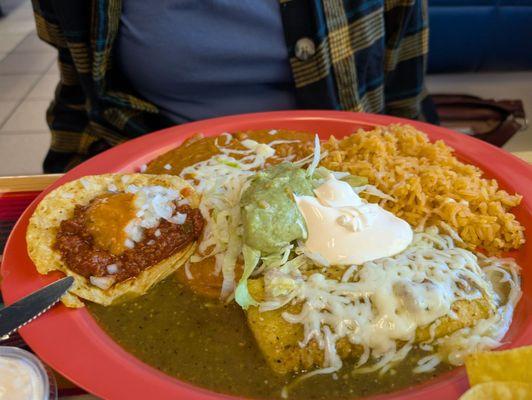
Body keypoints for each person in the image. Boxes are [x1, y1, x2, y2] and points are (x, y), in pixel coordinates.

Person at [32, 0, 429, 173]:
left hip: (350, 175)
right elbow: (79, 92)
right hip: (153, 177)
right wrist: (50, 190)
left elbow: (405, 98)